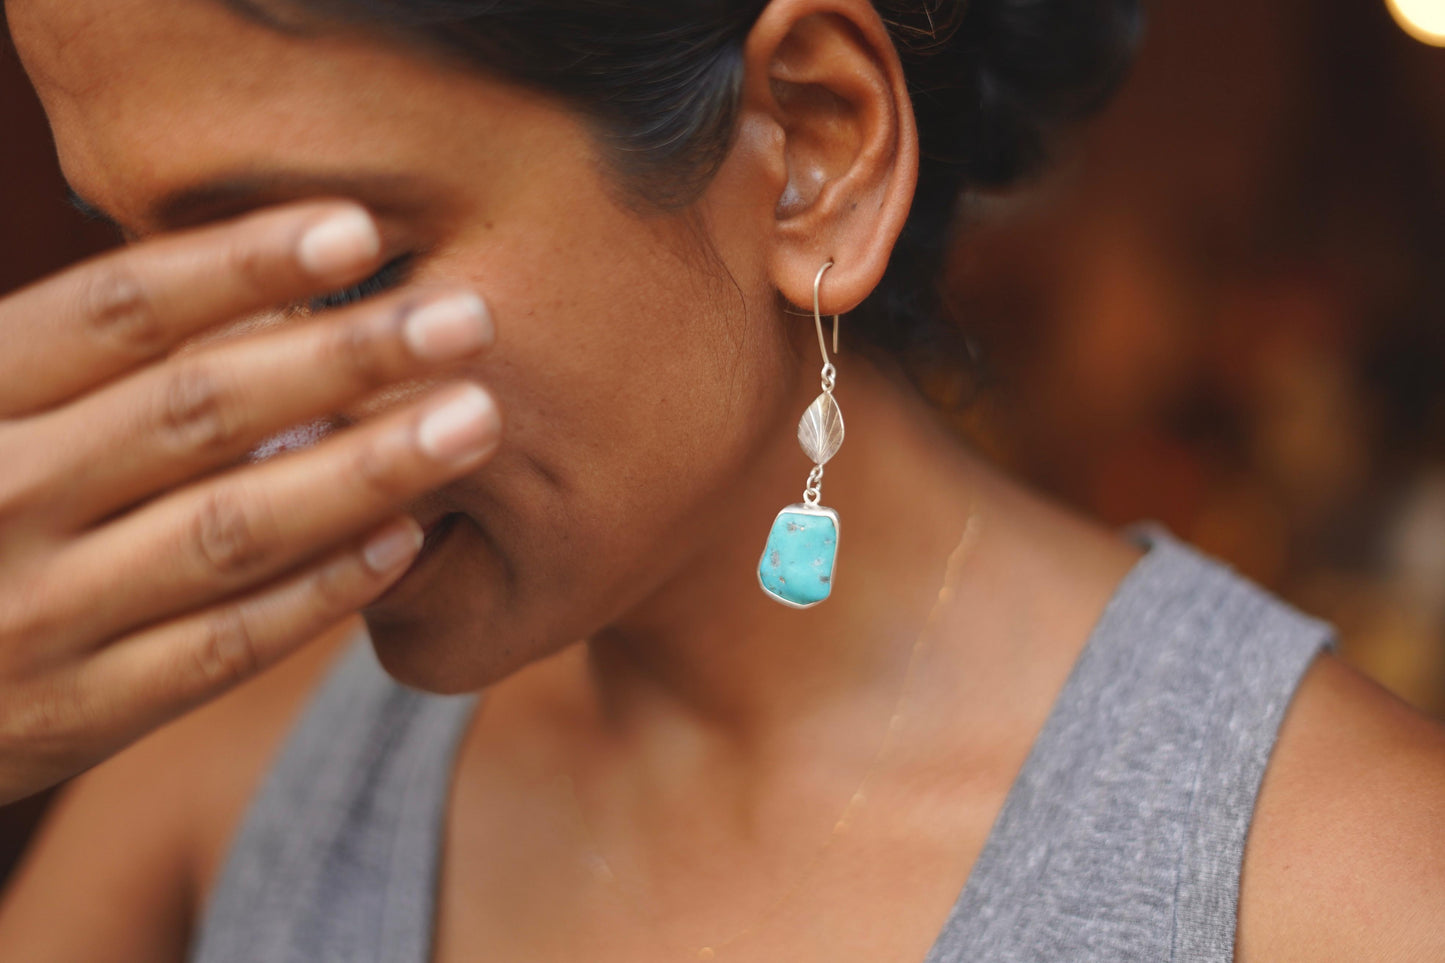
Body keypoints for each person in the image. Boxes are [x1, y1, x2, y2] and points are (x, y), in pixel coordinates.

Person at [0, 0, 1441, 960]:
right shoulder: (216, 776)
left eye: (340, 269)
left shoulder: (1340, 883)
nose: (235, 437)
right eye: (146, 270)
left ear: (813, 151)